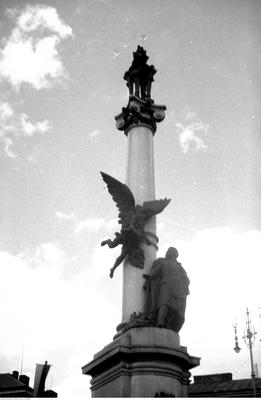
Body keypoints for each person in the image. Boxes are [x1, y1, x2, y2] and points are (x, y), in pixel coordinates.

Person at [144, 247, 190, 332]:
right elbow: (155, 271)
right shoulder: (163, 262)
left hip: (175, 288)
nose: (175, 255)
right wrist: (149, 277)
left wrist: (183, 284)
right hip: (166, 285)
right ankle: (160, 322)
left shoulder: (178, 266)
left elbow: (186, 278)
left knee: (170, 306)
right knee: (163, 303)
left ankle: (166, 323)